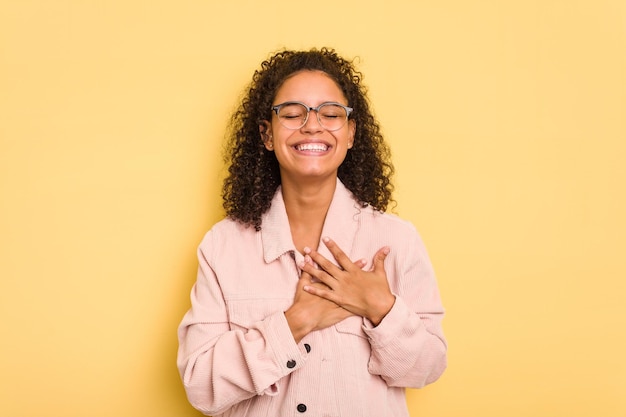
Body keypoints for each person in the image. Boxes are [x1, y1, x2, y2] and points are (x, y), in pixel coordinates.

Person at [177, 47, 447, 417]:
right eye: (292, 114)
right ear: (267, 135)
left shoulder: (396, 240)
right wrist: (296, 322)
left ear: (351, 133)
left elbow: (427, 369)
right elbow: (200, 387)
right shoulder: (223, 246)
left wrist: (380, 308)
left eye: (331, 114)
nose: (312, 125)